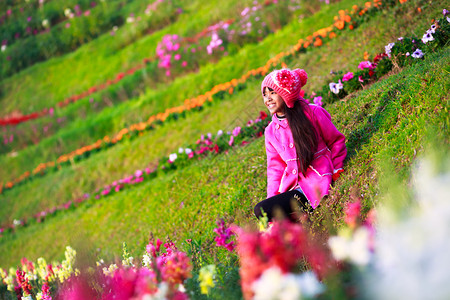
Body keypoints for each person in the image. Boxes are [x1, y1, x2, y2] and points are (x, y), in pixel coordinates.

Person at [254, 68, 347, 222]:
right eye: (265, 94)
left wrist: (337, 167)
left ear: (285, 94)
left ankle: (299, 217)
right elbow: (275, 169)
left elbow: (336, 140)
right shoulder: (270, 132)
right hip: (292, 188)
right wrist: (273, 198)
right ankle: (296, 221)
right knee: (264, 211)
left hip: (316, 182)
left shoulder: (313, 113)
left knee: (263, 211)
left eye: (272, 93)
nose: (268, 99)